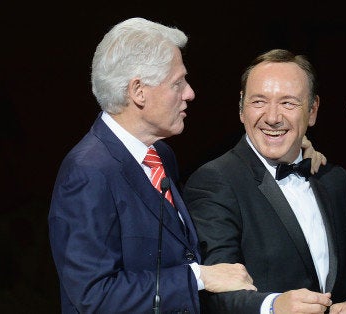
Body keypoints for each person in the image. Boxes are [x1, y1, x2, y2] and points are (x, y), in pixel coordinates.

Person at [48, 18, 324, 313]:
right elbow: (94, 295)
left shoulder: (161, 155)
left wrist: (290, 148)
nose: (190, 93)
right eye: (178, 83)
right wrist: (198, 278)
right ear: (139, 91)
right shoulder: (87, 171)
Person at [183, 49, 346, 314]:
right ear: (241, 107)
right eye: (259, 102)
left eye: (288, 103)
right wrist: (273, 306)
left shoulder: (335, 182)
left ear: (313, 109)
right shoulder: (215, 181)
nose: (272, 117)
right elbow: (214, 293)